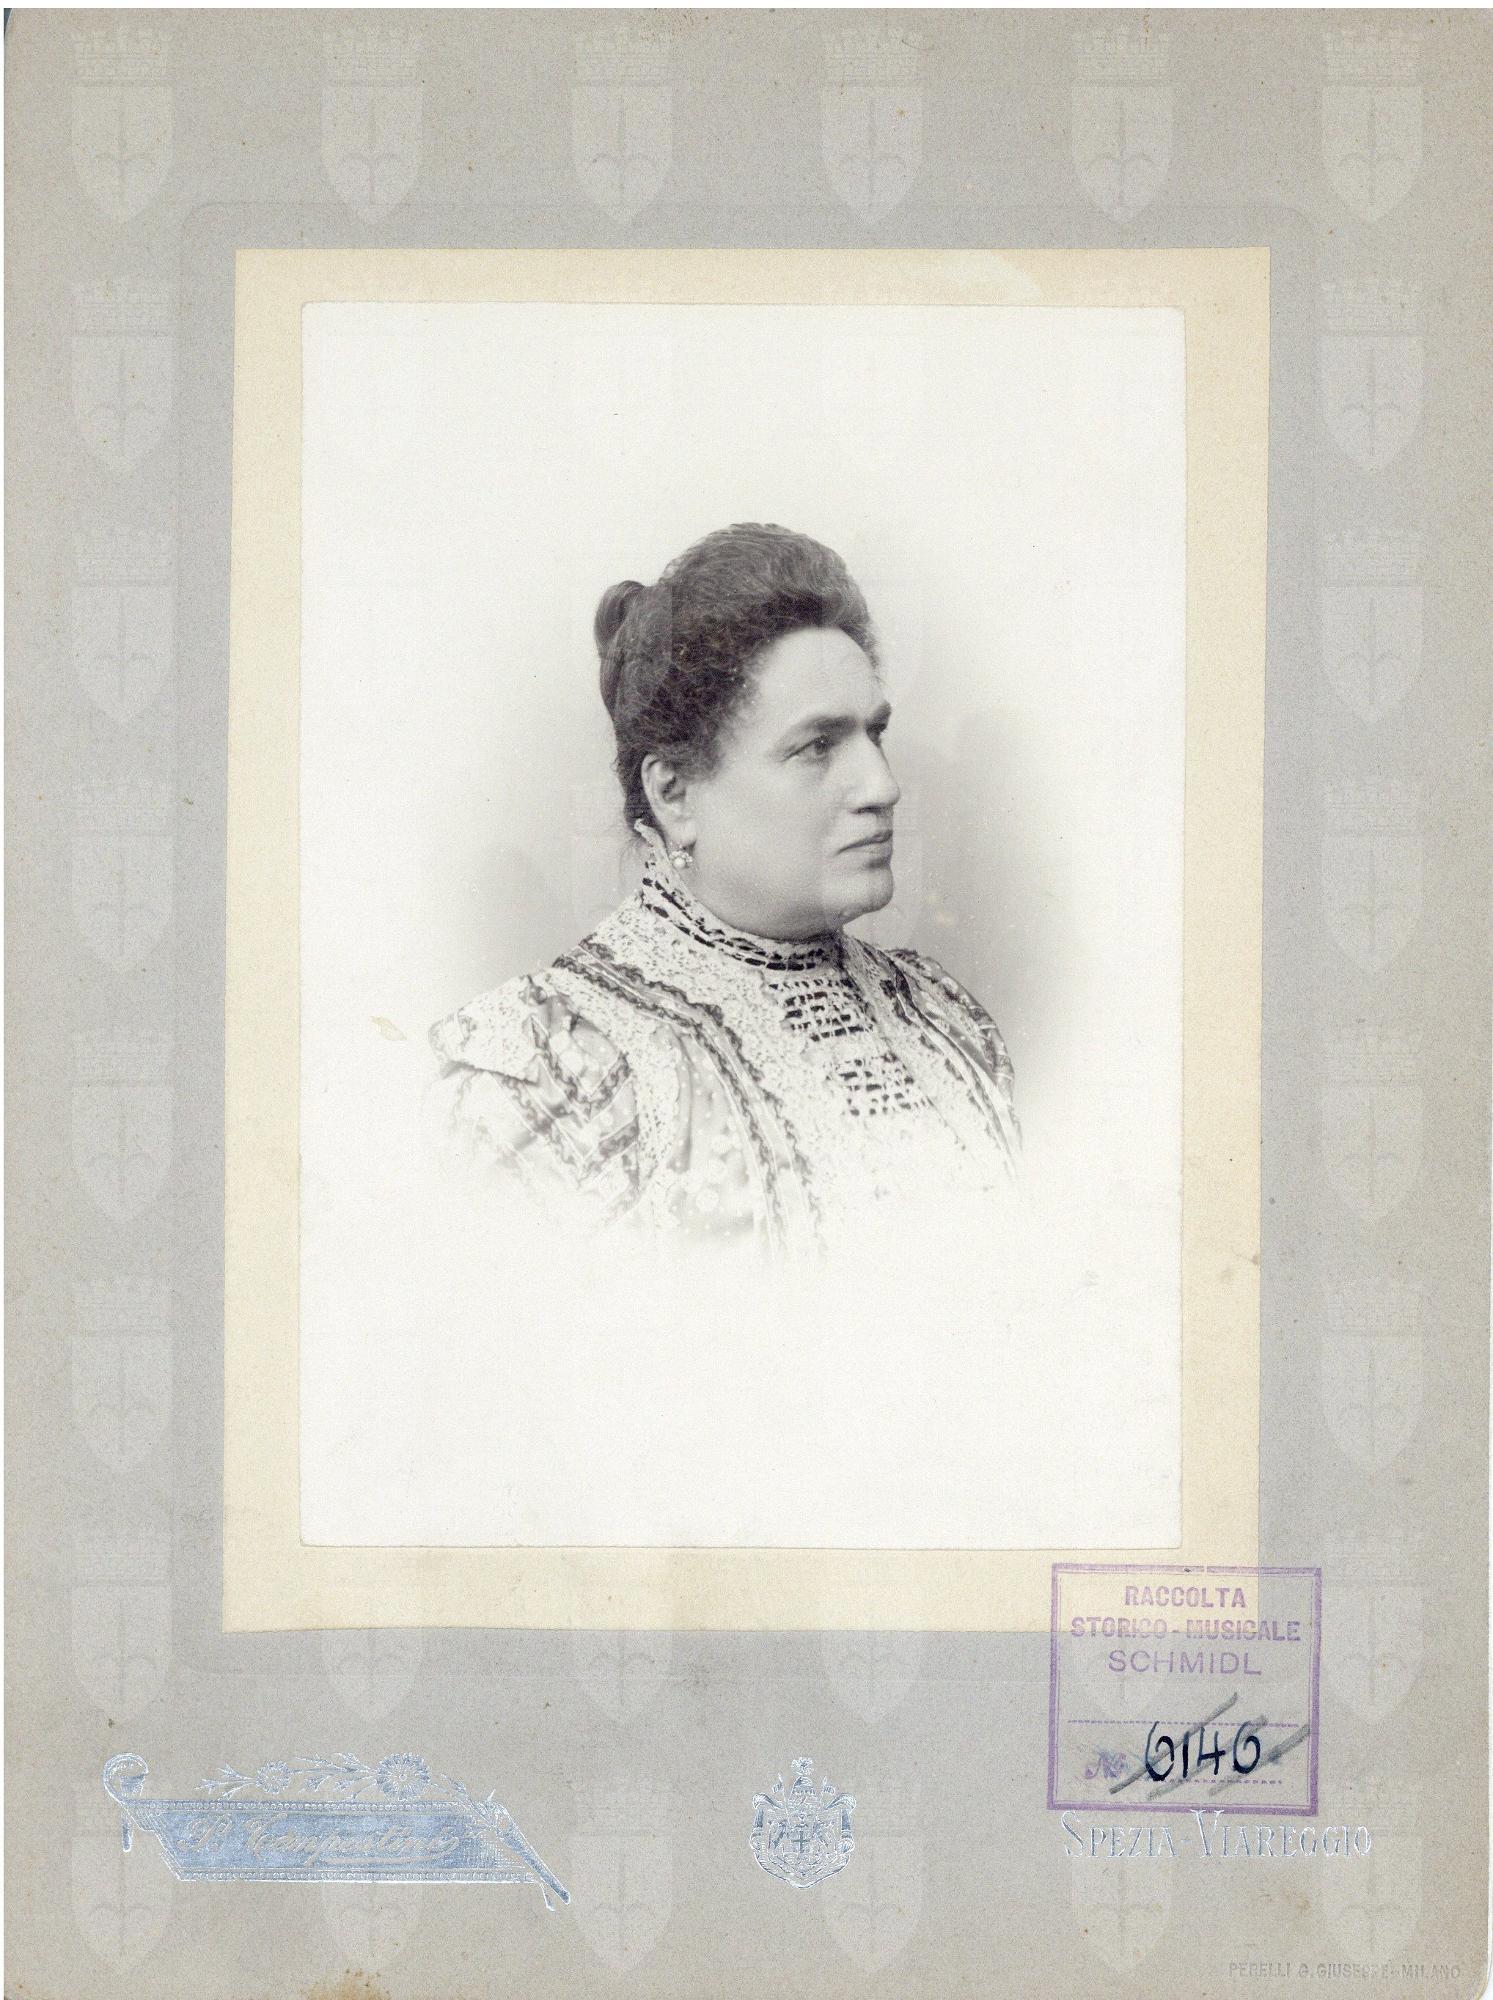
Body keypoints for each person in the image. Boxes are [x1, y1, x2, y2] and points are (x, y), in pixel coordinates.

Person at [424, 522, 1019, 1258]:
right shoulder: (548, 1075)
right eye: (817, 746)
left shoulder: (945, 1018)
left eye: (875, 734)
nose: (882, 786)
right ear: (675, 794)